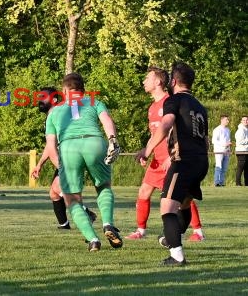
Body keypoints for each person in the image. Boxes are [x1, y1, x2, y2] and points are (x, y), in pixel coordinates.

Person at [32, 73, 122, 252]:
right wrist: (112, 139)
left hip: (68, 147)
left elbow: (51, 145)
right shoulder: (94, 101)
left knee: (72, 199)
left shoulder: (55, 111)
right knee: (103, 186)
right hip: (94, 142)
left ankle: (93, 239)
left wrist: (61, 165)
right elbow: (107, 121)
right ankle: (107, 224)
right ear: (83, 89)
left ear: (65, 90)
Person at [136, 62, 209, 266]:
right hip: (201, 161)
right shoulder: (200, 106)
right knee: (184, 204)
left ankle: (177, 256)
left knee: (167, 209)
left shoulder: (173, 101)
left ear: (174, 81)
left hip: (183, 161)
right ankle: (171, 238)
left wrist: (147, 150)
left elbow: (166, 124)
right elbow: (205, 139)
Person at [32, 87, 97, 230]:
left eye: (43, 97)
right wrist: (40, 164)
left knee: (59, 188)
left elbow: (53, 145)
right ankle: (64, 224)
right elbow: (50, 146)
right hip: (64, 156)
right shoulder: (54, 115)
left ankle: (87, 214)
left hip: (69, 155)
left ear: (54, 100)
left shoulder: (56, 114)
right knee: (54, 193)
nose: (39, 100)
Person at [212, 115, 232, 186]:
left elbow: (228, 140)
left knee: (224, 168)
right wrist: (224, 144)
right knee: (219, 166)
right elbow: (214, 141)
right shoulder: (217, 129)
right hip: (219, 151)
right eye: (226, 120)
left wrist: (229, 149)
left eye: (228, 120)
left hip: (226, 151)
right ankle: (216, 182)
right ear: (222, 120)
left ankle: (222, 182)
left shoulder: (228, 130)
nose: (228, 121)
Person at [235, 116, 248, 186]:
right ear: (241, 121)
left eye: (247, 120)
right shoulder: (241, 130)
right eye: (244, 120)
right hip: (241, 151)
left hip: (246, 151)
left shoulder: (246, 129)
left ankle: (247, 183)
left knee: (247, 169)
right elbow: (240, 141)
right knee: (240, 168)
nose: (246, 121)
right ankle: (238, 183)